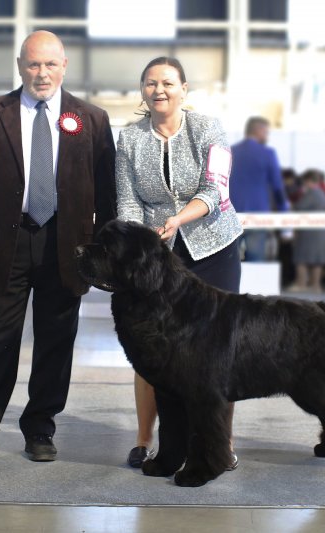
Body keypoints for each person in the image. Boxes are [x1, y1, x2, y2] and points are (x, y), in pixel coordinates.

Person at [0, 30, 116, 462]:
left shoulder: (91, 119)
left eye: (50, 64)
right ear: (20, 66)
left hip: (66, 248)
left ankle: (40, 429)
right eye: (33, 64)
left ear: (64, 66)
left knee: (56, 342)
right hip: (5, 245)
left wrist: (104, 254)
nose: (42, 73)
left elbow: (106, 193)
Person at [116, 56, 243, 470]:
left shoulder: (209, 128)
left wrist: (178, 219)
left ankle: (220, 445)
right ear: (142, 90)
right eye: (150, 83)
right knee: (150, 346)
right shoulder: (130, 138)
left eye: (168, 83)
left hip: (213, 247)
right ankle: (144, 439)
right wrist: (140, 242)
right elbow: (128, 200)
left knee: (215, 351)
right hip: (157, 257)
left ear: (184, 89)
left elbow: (216, 190)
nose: (159, 90)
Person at [229, 116, 287, 261]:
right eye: (266, 132)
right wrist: (284, 213)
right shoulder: (268, 154)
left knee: (230, 262)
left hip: (229, 215)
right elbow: (277, 187)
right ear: (258, 130)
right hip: (257, 215)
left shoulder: (229, 152)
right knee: (256, 261)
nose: (267, 136)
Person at [288, 170, 325, 293]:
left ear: (309, 180)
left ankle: (301, 284)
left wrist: (292, 205)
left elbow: (299, 206)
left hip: (308, 230)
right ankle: (316, 285)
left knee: (301, 256)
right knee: (318, 258)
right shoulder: (322, 194)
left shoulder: (312, 193)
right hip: (320, 229)